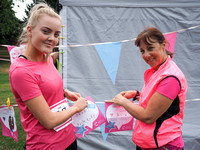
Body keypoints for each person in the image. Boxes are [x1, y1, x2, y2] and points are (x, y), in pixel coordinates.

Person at [9, 3, 88, 150]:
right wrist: (76, 108)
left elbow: (44, 84)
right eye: (46, 31)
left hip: (69, 138)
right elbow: (49, 121)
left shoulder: (47, 58)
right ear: (30, 30)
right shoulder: (21, 71)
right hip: (46, 146)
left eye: (56, 34)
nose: (52, 38)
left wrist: (64, 93)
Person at [105, 27, 187, 150]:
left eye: (150, 48)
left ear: (163, 45)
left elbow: (148, 116)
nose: (146, 55)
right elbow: (161, 101)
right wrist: (137, 94)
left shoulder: (170, 78)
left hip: (163, 144)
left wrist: (123, 102)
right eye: (142, 51)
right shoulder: (159, 70)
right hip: (149, 142)